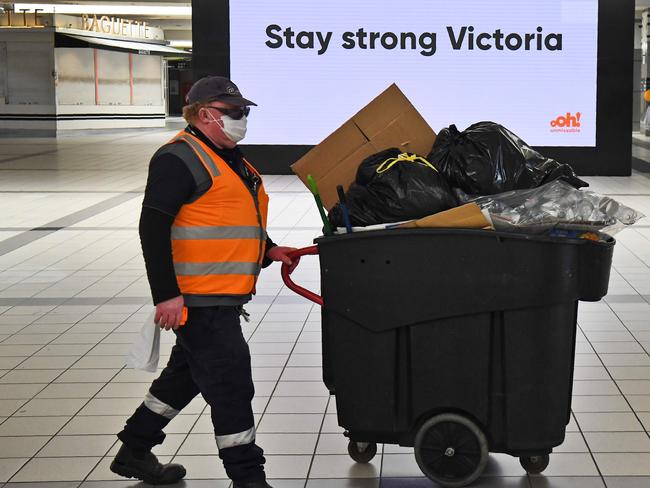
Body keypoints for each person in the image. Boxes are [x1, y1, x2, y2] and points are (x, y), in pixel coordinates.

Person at [110, 76, 298, 488]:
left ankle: (135, 449)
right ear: (206, 114)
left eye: (243, 111)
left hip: (220, 294)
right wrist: (167, 296)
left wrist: (269, 249)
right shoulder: (179, 158)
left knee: (186, 376)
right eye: (234, 112)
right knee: (232, 384)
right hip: (199, 299)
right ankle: (248, 478)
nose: (241, 119)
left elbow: (230, 218)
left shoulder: (230, 157)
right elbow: (152, 228)